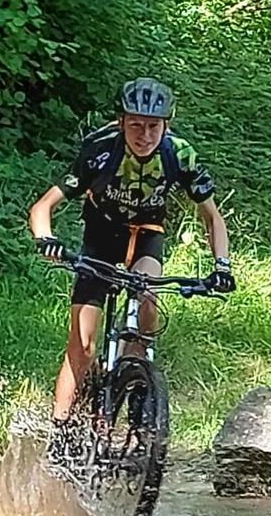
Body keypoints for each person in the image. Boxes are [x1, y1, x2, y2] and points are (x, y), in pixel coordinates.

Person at [28, 77, 235, 444]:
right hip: (101, 237)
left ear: (166, 125)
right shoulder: (100, 149)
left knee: (148, 300)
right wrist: (46, 239)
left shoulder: (179, 154)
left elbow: (212, 217)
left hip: (146, 235)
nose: (145, 135)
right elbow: (44, 206)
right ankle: (59, 432)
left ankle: (134, 373)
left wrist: (222, 266)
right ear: (121, 122)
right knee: (83, 344)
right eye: (136, 125)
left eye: (154, 126)